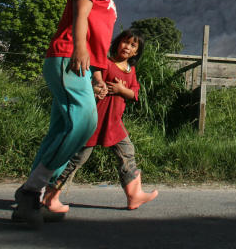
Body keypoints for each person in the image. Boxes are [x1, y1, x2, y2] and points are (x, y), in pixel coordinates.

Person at [12, 0, 121, 228]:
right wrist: (79, 50)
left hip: (81, 66)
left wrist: (97, 75)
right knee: (84, 124)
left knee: (62, 130)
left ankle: (37, 198)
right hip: (67, 58)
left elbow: (99, 35)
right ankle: (30, 192)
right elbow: (80, 16)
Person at [41, 29, 159, 212]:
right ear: (117, 43)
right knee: (77, 159)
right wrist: (98, 88)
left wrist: (121, 89)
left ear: (136, 52)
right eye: (125, 42)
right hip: (95, 121)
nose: (127, 47)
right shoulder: (104, 64)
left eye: (133, 45)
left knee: (127, 153)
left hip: (113, 123)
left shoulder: (131, 70)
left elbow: (134, 94)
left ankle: (134, 195)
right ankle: (50, 196)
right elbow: (92, 82)